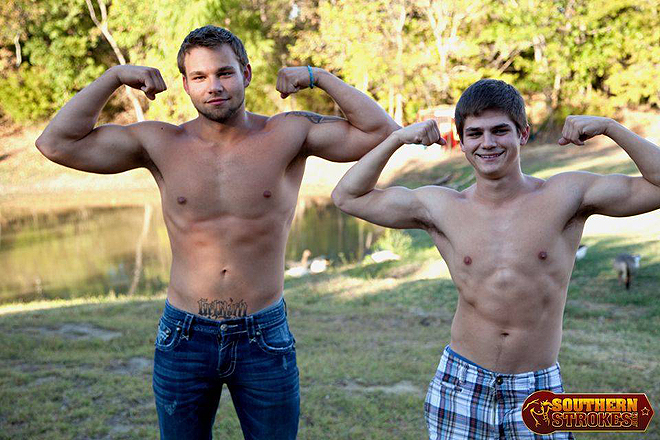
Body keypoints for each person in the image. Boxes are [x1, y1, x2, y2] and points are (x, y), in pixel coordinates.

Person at [35, 25, 398, 440]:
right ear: (186, 85)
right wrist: (113, 77)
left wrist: (321, 77)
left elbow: (381, 132)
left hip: (263, 335)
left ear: (246, 73)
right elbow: (56, 144)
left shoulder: (287, 134)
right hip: (184, 336)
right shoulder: (160, 142)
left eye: (225, 73)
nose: (214, 86)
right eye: (200, 76)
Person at [331, 78, 660, 439]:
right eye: (474, 134)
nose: (487, 143)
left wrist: (611, 128)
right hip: (461, 383)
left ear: (523, 134)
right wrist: (396, 139)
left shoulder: (565, 195)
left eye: (500, 130)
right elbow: (348, 196)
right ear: (462, 143)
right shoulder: (441, 206)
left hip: (537, 388)